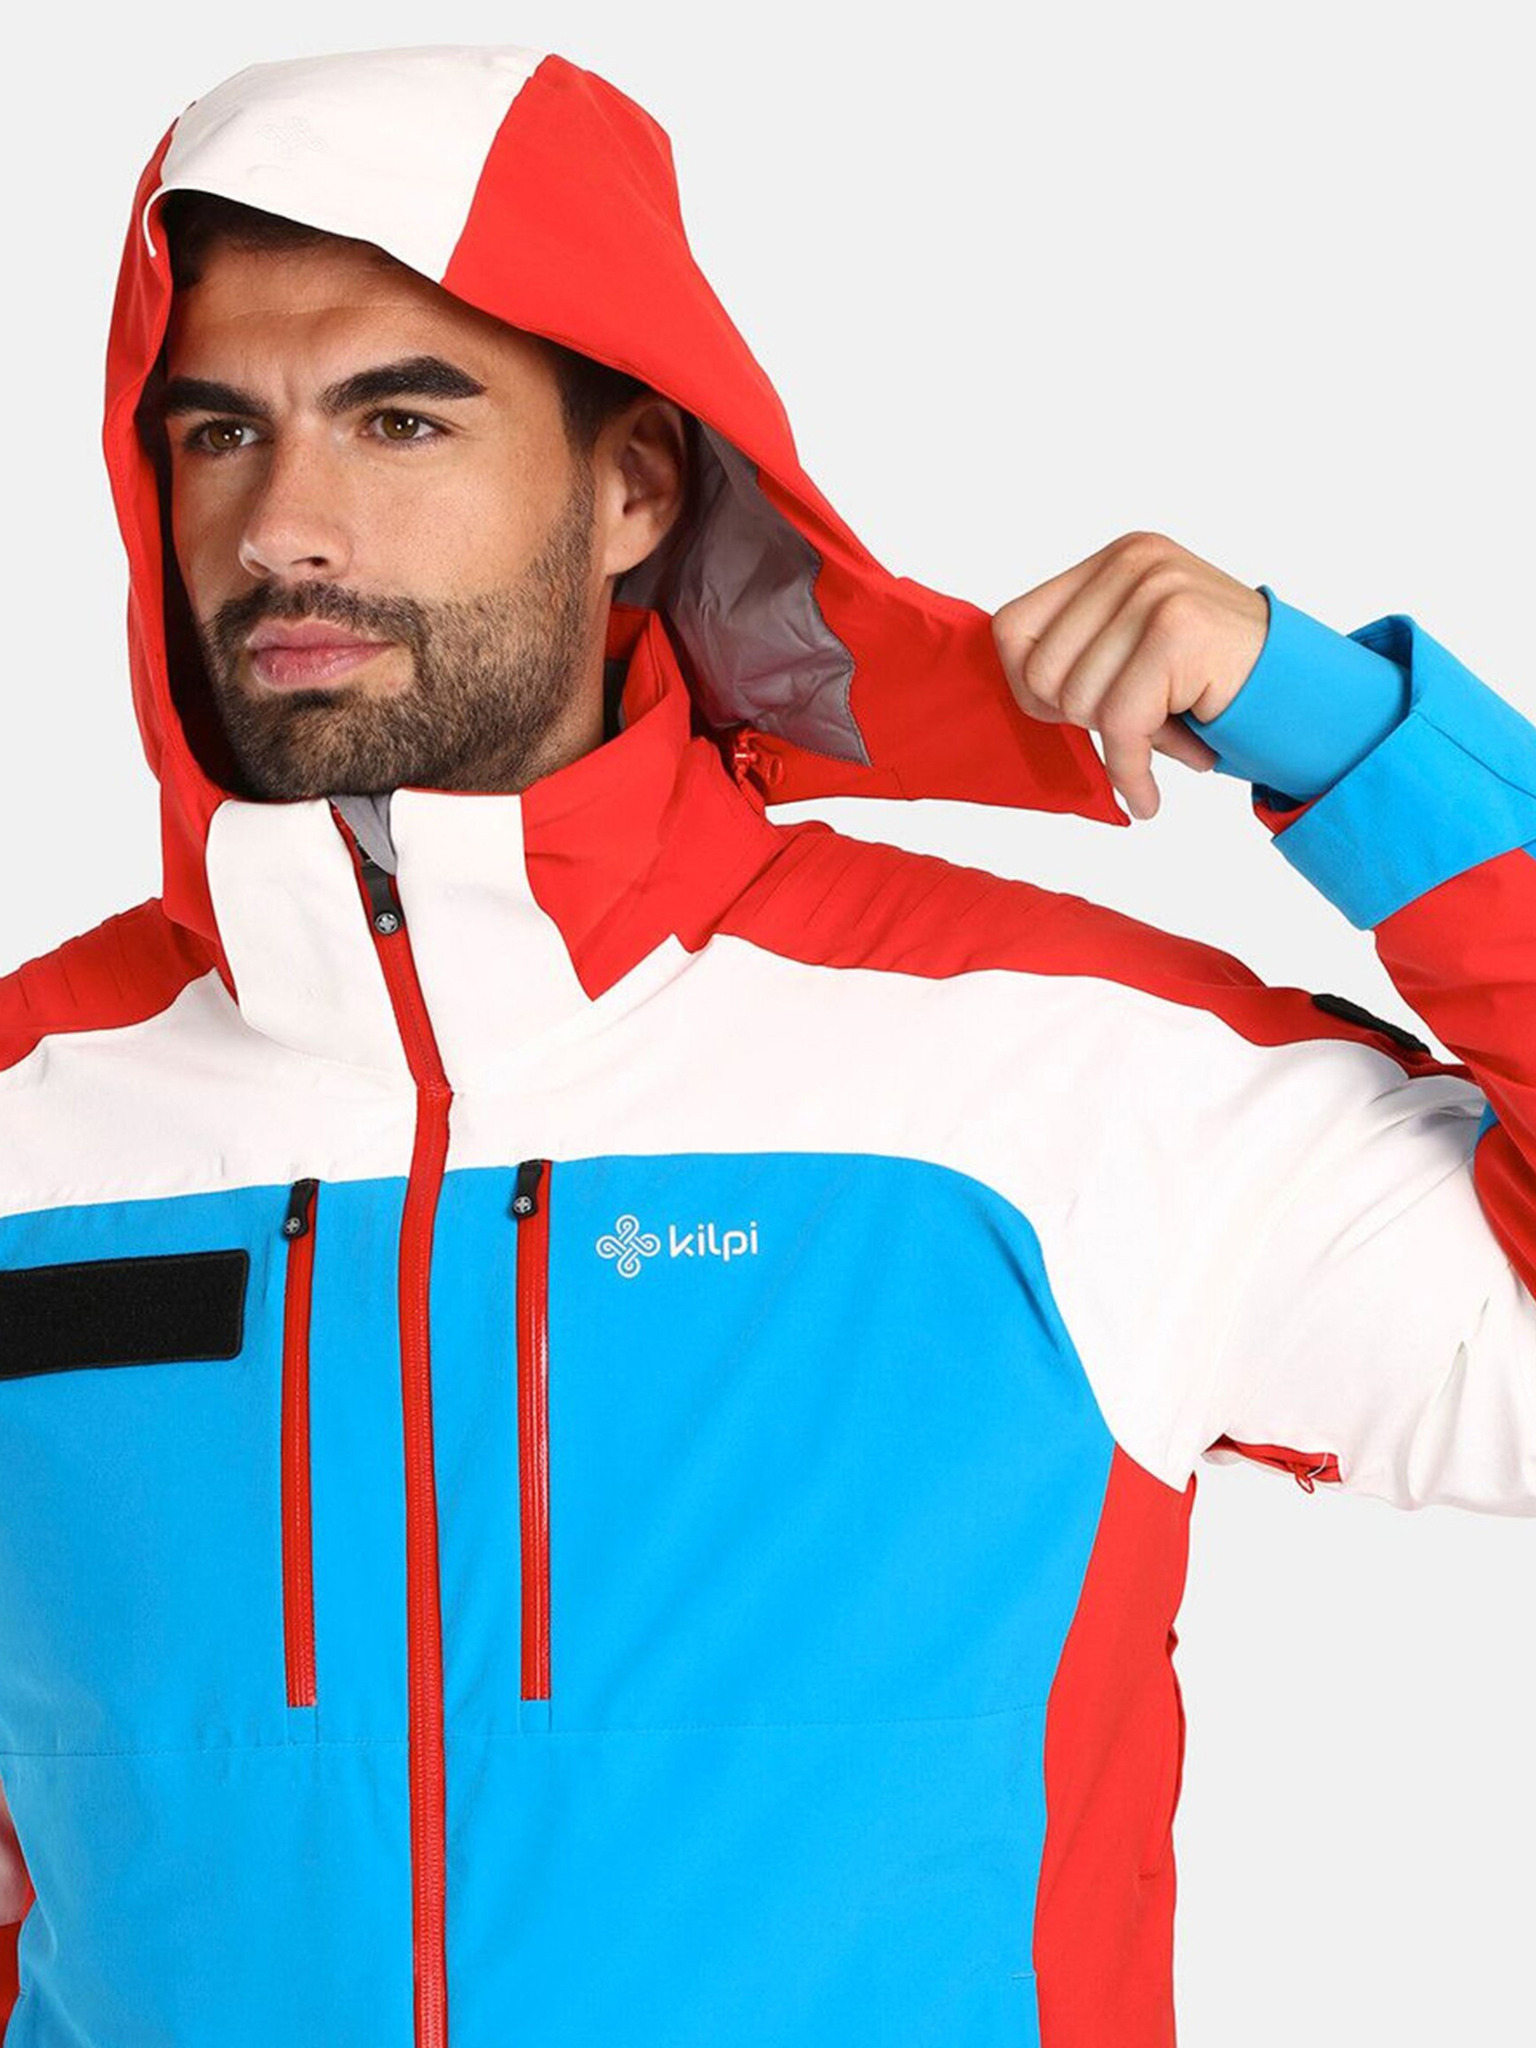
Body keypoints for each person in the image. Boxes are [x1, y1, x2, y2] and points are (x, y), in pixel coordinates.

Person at [0, 40, 1530, 2048]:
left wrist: (1367, 750)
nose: (287, 522)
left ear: (636, 485)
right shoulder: (35, 1113)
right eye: (219, 430)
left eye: (399, 417)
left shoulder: (1064, 1073)